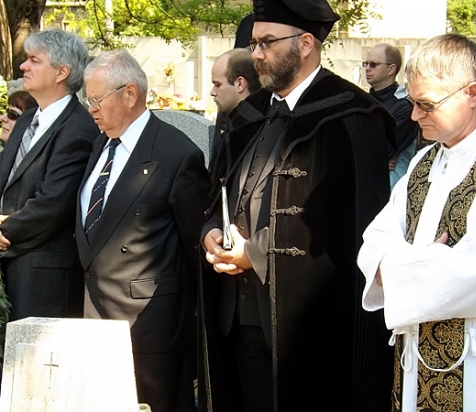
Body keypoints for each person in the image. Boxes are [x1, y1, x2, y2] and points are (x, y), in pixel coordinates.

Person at [199, 0, 396, 410]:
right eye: (253, 43)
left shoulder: (352, 115)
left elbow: (356, 229)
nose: (256, 54)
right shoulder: (251, 115)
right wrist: (211, 232)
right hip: (238, 321)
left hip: (308, 330)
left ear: (305, 44)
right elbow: (218, 193)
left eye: (267, 42)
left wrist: (255, 253)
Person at [358, 33, 476, 412]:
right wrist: (426, 261)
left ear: (472, 93)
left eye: (427, 104)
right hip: (415, 366)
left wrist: (398, 265)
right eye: (412, 103)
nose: (415, 116)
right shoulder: (424, 162)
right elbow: (375, 240)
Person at [75, 49, 210, 412]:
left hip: (150, 331)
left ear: (130, 94)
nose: (91, 109)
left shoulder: (176, 154)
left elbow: (195, 247)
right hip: (96, 319)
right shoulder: (101, 144)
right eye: (88, 100)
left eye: (96, 99)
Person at [0, 29, 98, 320]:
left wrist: (5, 231)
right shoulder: (27, 119)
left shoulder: (78, 129)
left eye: (34, 60)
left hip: (42, 278)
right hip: (9, 263)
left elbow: (54, 204)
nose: (23, 66)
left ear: (61, 72)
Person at [365, 43, 419, 189]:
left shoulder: (404, 106)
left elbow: (384, 149)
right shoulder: (362, 101)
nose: (367, 68)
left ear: (391, 69)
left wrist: (375, 159)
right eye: (366, 64)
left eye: (374, 64)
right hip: (367, 178)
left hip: (391, 185)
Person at [209, 48, 260, 176]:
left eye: (218, 85)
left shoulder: (255, 132)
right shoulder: (228, 123)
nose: (212, 92)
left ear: (240, 84)